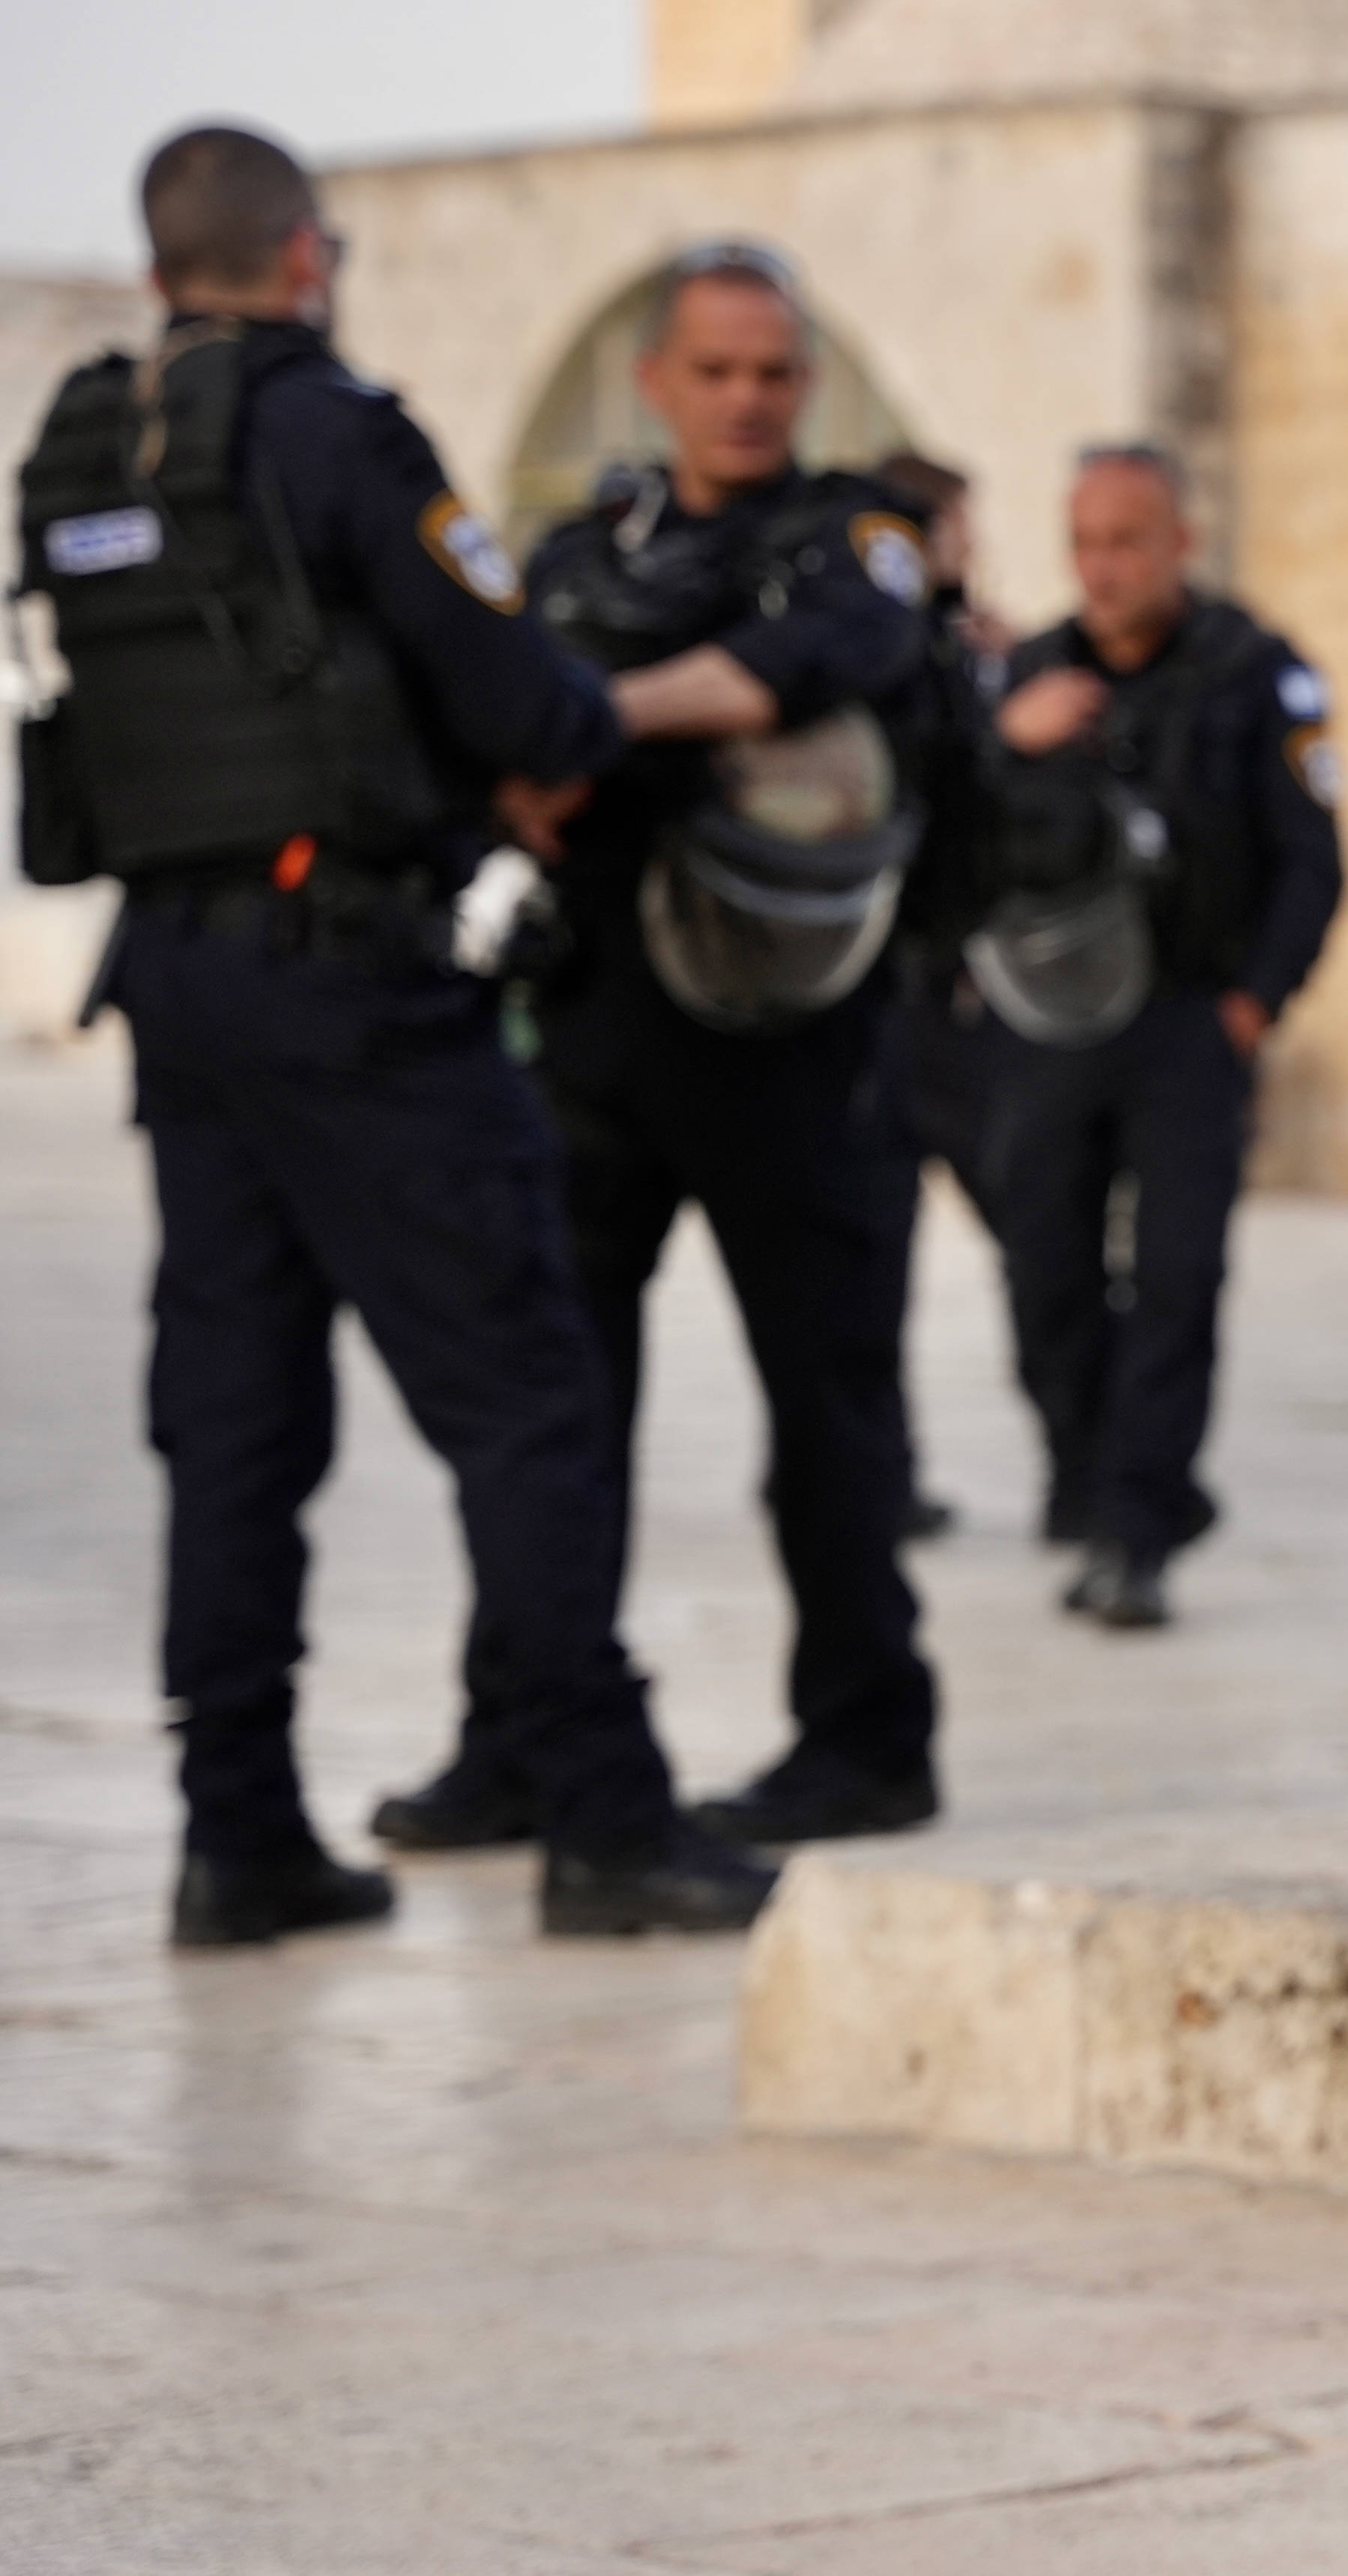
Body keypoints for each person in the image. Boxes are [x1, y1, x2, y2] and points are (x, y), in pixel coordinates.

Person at [14, 127, 771, 1940]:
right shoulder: (338, 431)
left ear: (156, 267)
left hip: (177, 979)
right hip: (357, 980)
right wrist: (556, 740)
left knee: (232, 1423)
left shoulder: (81, 445)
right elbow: (520, 693)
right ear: (304, 259)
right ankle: (601, 1818)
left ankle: (240, 1833)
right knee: (525, 1395)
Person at [426, 239, 949, 1854]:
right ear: (656, 382)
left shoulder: (854, 537)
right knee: (555, 1414)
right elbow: (487, 696)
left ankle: (865, 1742)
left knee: (828, 1417)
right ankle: (523, 1737)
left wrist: (595, 720)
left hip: (797, 1048)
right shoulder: (588, 543)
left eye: (774, 372)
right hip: (595, 1032)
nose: (746, 399)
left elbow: (810, 668)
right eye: (715, 371)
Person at [973, 443, 1344, 1631]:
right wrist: (1005, 743)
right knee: (1044, 1269)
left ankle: (1136, 1530)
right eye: (1085, 543)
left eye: (1129, 541)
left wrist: (1254, 1004)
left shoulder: (1257, 673)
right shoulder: (1026, 677)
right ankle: (1099, 1478)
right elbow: (949, 835)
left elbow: (1314, 861)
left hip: (1192, 1018)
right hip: (1052, 1025)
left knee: (1177, 1279)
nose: (1104, 566)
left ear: (1181, 543)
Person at [869, 446, 1008, 1543]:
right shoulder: (891, 652)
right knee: (865, 1247)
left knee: (1032, 1222)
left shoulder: (972, 649)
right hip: (897, 995)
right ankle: (874, 1467)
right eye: (959, 527)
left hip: (956, 993)